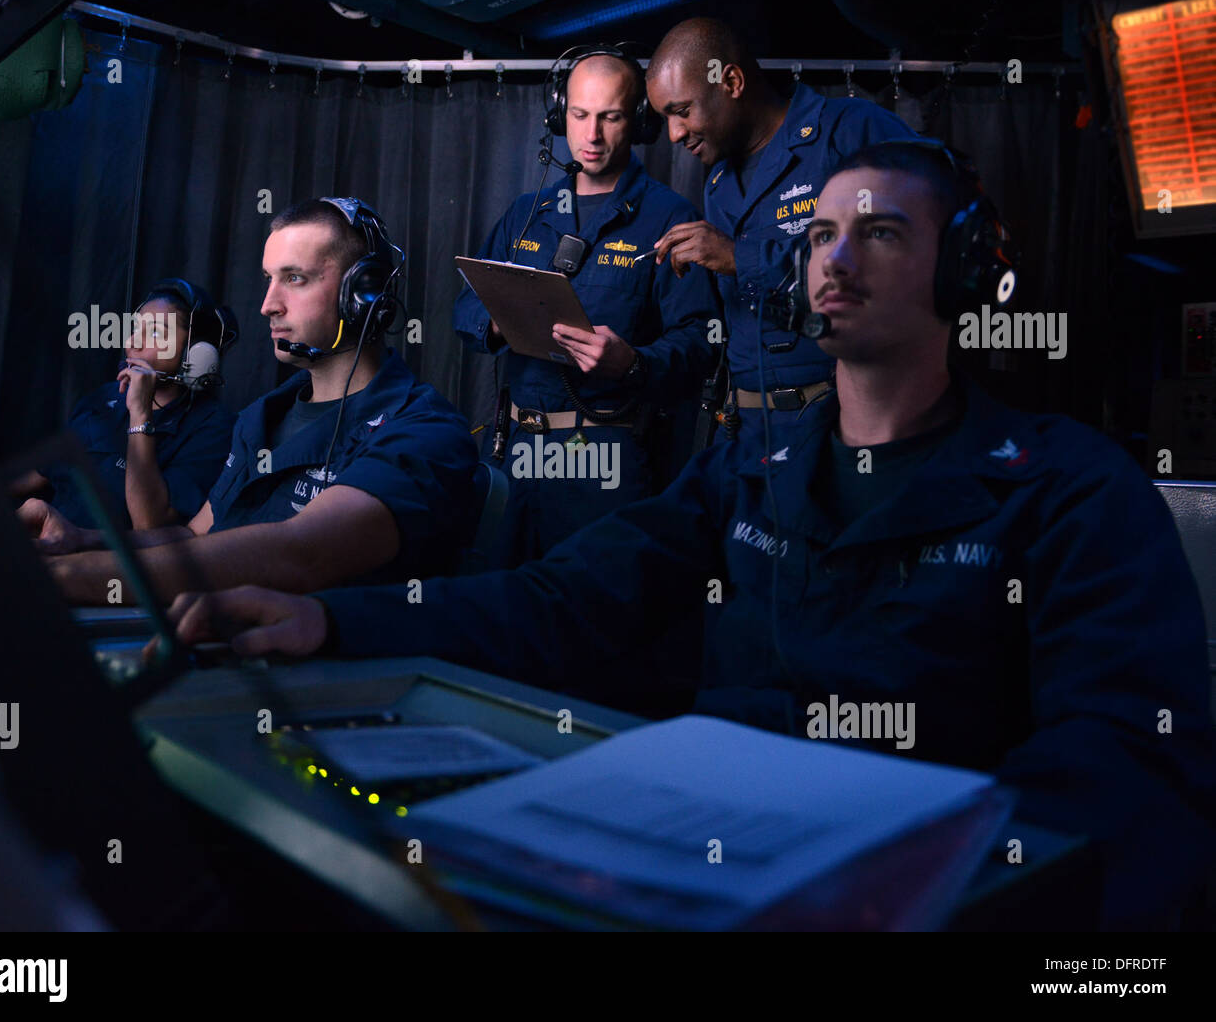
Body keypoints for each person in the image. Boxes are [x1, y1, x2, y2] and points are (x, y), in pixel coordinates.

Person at [160, 145, 1216, 929]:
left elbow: (1125, 769)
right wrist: (327, 623)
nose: (833, 261)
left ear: (965, 270)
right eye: (817, 238)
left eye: (880, 232)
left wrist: (951, 897)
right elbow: (561, 599)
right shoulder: (747, 469)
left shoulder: (1070, 487)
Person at [19, 197, 479, 605]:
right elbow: (192, 535)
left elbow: (299, 554)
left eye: (294, 279)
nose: (267, 304)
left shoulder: (424, 431)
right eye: (268, 279)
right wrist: (79, 541)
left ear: (363, 294)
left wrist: (68, 576)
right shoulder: (259, 418)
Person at [455, 44, 719, 565]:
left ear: (639, 120)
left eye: (611, 117)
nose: (592, 135)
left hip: (605, 460)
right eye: (579, 115)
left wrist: (634, 363)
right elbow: (464, 306)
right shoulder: (526, 214)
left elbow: (701, 343)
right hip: (516, 453)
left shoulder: (670, 217)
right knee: (497, 609)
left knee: (593, 621)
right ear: (560, 113)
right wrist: (496, 320)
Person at [647, 17, 915, 435]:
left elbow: (904, 260)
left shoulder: (848, 131)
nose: (674, 133)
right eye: (665, 118)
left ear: (731, 82)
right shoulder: (718, 183)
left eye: (681, 112)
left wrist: (740, 258)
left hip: (840, 423)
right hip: (748, 428)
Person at [11, 279, 236, 530]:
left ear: (195, 354)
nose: (132, 344)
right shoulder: (104, 399)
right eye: (135, 329)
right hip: (44, 542)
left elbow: (149, 523)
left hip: (106, 564)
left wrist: (140, 415)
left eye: (154, 333)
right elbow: (41, 472)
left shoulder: (213, 429)